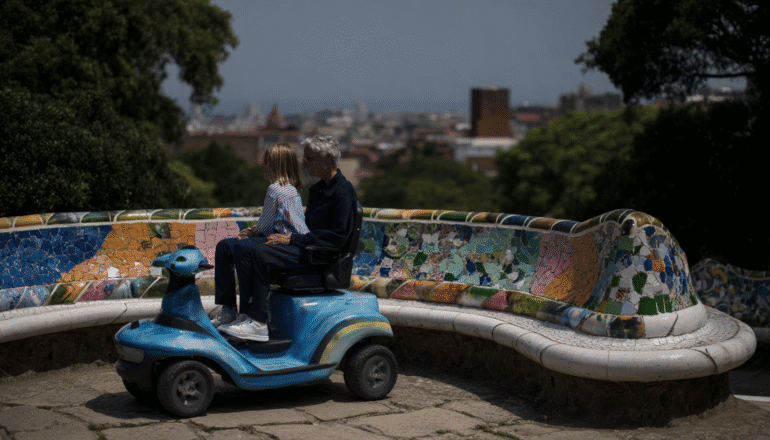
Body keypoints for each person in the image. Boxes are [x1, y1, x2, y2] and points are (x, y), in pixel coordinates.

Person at [216, 135, 358, 342]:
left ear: (327, 158)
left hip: (318, 255)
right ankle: (233, 311)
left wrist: (292, 240)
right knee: (228, 246)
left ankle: (257, 321)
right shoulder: (317, 190)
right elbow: (304, 226)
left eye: (309, 158)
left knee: (252, 250)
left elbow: (338, 238)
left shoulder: (343, 191)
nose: (304, 163)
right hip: (305, 245)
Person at [212, 143, 309, 340]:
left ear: (277, 165)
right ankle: (236, 313)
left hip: (286, 243)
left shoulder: (276, 189)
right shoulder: (291, 189)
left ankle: (238, 311)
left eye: (267, 162)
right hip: (280, 240)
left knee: (236, 247)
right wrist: (255, 232)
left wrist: (253, 232)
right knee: (227, 247)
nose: (263, 165)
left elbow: (265, 227)